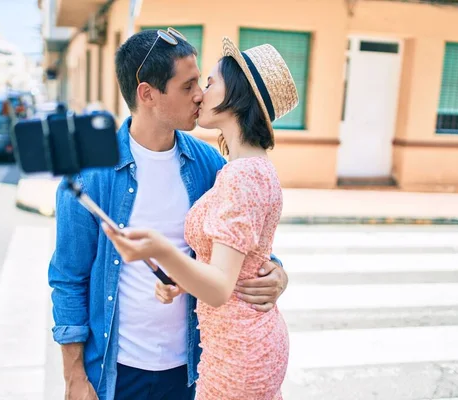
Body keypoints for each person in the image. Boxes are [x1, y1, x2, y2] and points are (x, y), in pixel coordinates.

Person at [48, 28, 289, 400]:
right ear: (148, 94)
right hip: (118, 368)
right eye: (188, 85)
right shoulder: (89, 172)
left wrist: (278, 272)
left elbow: (243, 244)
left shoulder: (209, 164)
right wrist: (74, 376)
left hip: (192, 366)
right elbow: (68, 277)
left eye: (204, 83)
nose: (199, 95)